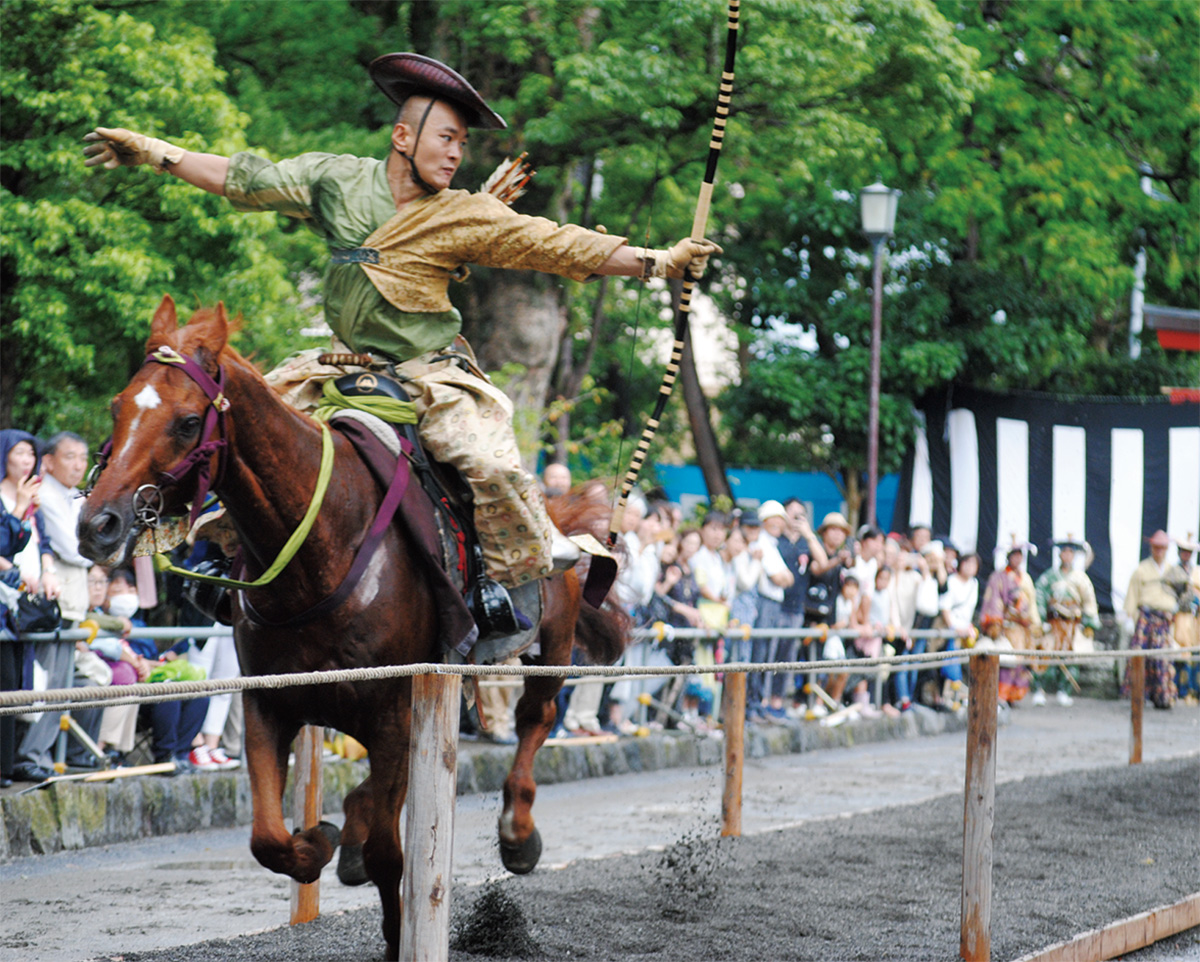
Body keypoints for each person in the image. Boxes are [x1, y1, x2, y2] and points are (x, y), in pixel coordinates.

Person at [83, 53, 719, 635]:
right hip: (332, 365)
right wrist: (151, 150)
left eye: (463, 145)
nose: (455, 155)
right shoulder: (335, 180)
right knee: (224, 424)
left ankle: (499, 590)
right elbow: (244, 177)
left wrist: (657, 260)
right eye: (446, 138)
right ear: (402, 137)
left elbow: (551, 242)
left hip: (429, 374)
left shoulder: (462, 212)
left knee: (489, 464)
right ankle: (221, 560)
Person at [1121, 530, 1186, 710]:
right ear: (1151, 547)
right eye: (1156, 547)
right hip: (1145, 619)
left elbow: (1184, 596)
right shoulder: (1141, 570)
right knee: (1140, 658)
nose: (1159, 551)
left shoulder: (1174, 571)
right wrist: (1128, 617)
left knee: (1163, 659)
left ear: (1167, 549)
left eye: (1163, 548)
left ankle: (1163, 696)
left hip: (1165, 620)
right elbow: (1132, 595)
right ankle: (1137, 696)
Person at [1032, 538, 1099, 707]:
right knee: (1045, 654)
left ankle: (1064, 691)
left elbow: (1089, 600)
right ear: (1060, 554)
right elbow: (1039, 595)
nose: (1067, 555)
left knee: (1069, 656)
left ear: (1074, 556)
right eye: (1064, 552)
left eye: (1070, 552)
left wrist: (1090, 623)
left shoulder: (1081, 578)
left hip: (1072, 624)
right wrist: (1040, 619)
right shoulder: (1049, 576)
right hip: (1053, 622)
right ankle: (1040, 690)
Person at [742, 505, 794, 720]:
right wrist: (783, 577)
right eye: (773, 518)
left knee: (766, 654)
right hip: (764, 603)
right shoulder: (762, 541)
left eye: (781, 519)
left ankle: (758, 702)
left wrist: (783, 577)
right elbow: (779, 578)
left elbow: (788, 578)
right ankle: (752, 703)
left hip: (773, 603)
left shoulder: (772, 544)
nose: (778, 523)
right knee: (759, 653)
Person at [979, 542, 1041, 706]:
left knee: (1021, 663)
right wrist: (995, 622)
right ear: (1008, 557)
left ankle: (1013, 696)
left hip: (1022, 627)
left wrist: (1034, 622)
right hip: (1005, 626)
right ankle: (1001, 696)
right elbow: (993, 601)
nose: (1017, 558)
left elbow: (1032, 601)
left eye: (1020, 555)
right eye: (1014, 555)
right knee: (1006, 661)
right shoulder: (997, 577)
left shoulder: (1025, 577)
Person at [1172, 533, 1200, 704]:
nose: (1186, 555)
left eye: (1189, 552)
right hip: (1180, 617)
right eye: (1183, 551)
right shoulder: (1174, 571)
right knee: (1180, 652)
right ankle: (1179, 691)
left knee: (1194, 653)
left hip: (1195, 619)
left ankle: (1193, 691)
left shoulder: (1196, 572)